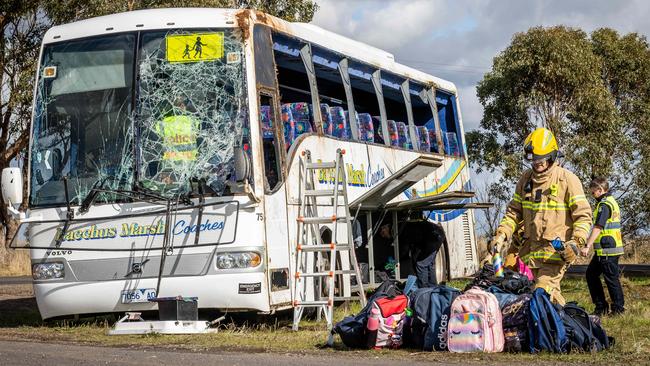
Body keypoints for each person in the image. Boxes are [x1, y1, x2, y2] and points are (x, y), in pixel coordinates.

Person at [488, 127, 592, 305]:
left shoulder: (567, 180)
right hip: (530, 254)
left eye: (541, 159)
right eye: (533, 159)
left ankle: (556, 328)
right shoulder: (525, 179)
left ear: (552, 155)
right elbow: (514, 212)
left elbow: (583, 216)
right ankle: (562, 327)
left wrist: (576, 242)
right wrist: (502, 235)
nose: (537, 163)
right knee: (544, 299)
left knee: (542, 293)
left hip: (555, 253)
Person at [581, 177, 625, 315]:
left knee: (611, 279)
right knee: (591, 274)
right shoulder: (611, 202)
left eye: (593, 192)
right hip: (606, 249)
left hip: (608, 249)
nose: (592, 195)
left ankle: (617, 309)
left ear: (600, 190)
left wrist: (587, 245)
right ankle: (602, 307)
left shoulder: (604, 205)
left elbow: (598, 227)